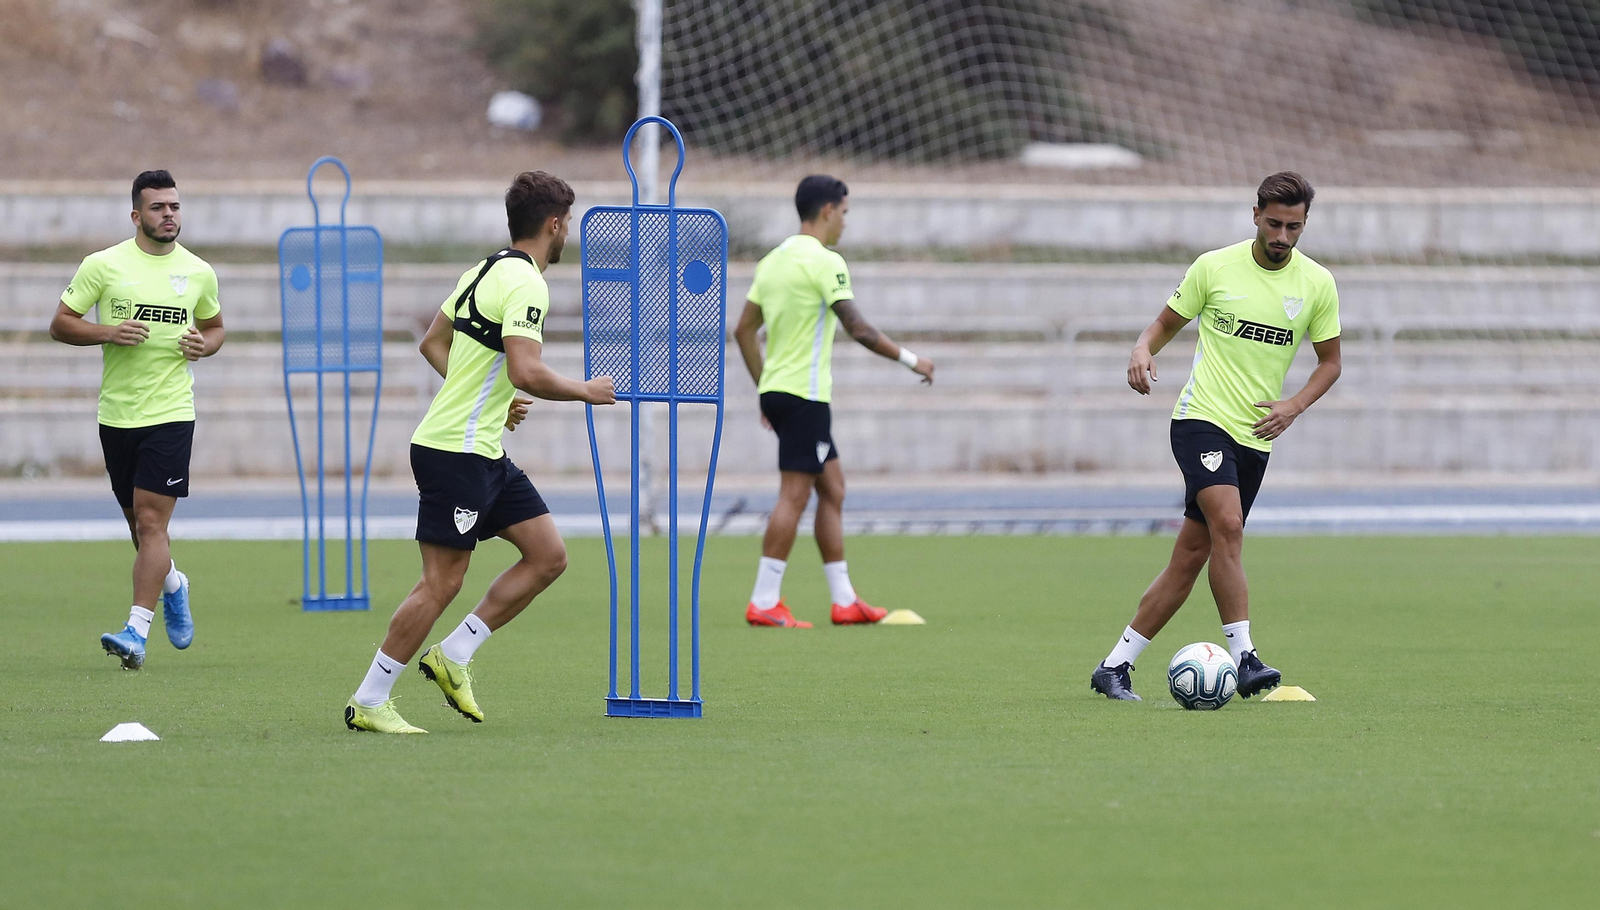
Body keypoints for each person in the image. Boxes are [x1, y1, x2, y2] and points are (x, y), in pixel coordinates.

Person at [343, 171, 616, 734]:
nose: (568, 234)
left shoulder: (483, 270)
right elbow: (526, 370)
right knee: (441, 583)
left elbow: (433, 343)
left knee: (547, 555)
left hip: (480, 449)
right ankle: (368, 700)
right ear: (554, 224)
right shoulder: (527, 283)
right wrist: (585, 390)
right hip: (456, 452)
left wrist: (490, 400)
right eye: (568, 223)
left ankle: (455, 654)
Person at [1090, 171, 1342, 701]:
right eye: (1273, 224)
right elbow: (1163, 325)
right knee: (1228, 524)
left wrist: (1294, 405)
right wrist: (1142, 348)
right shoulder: (1214, 267)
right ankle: (1246, 657)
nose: (1282, 236)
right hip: (1200, 420)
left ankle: (1114, 667)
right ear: (1255, 216)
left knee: (1191, 555)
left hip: (1256, 435)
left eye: (1293, 227)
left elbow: (1331, 363)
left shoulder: (1317, 284)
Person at [732, 175, 935, 629]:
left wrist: (766, 388)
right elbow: (858, 328)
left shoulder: (772, 261)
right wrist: (911, 360)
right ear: (827, 210)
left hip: (781, 392)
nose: (845, 221)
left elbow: (743, 330)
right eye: (844, 212)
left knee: (833, 488)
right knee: (795, 493)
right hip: (805, 396)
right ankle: (764, 600)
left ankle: (844, 600)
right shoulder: (826, 262)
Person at [49, 170, 225, 670]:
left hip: (171, 413)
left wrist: (203, 345)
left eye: (174, 206)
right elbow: (61, 323)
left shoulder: (198, 272)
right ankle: (173, 583)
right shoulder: (102, 265)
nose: (169, 214)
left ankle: (136, 632)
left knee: (151, 521)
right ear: (136, 215)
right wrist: (108, 332)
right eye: (157, 207)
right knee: (140, 528)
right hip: (117, 416)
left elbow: (215, 328)